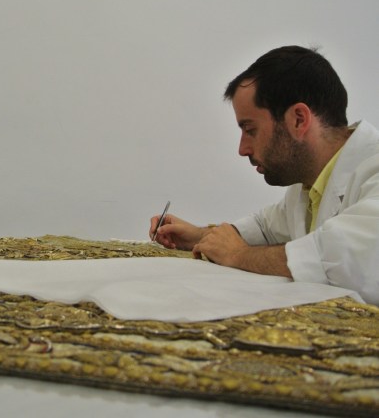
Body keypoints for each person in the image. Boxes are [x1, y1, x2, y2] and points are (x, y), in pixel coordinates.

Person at [149, 45, 379, 305]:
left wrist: (239, 255)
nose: (242, 149)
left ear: (299, 119)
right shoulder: (307, 185)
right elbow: (265, 228)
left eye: (250, 130)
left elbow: (354, 258)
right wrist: (200, 236)